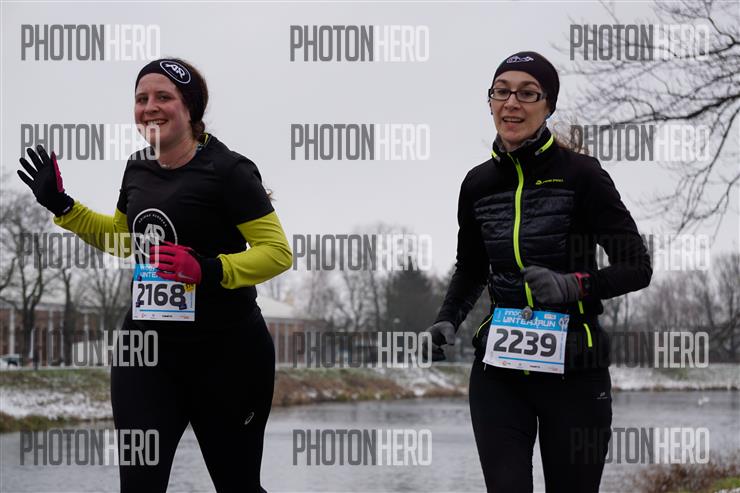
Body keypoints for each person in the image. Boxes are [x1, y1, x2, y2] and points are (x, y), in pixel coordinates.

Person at [17, 58, 292, 492]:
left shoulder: (229, 171)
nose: (150, 107)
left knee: (237, 486)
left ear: (190, 108)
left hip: (227, 356)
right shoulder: (137, 167)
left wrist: (207, 269)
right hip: (148, 356)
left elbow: (277, 253)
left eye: (164, 97)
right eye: (141, 98)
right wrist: (62, 205)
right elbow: (124, 239)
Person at [424, 51, 652, 492]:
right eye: (502, 92)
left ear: (549, 105)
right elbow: (472, 267)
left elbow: (637, 267)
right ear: (490, 102)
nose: (512, 103)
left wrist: (573, 285)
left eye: (528, 93)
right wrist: (447, 318)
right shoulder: (477, 183)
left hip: (575, 369)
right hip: (499, 371)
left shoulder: (582, 175)